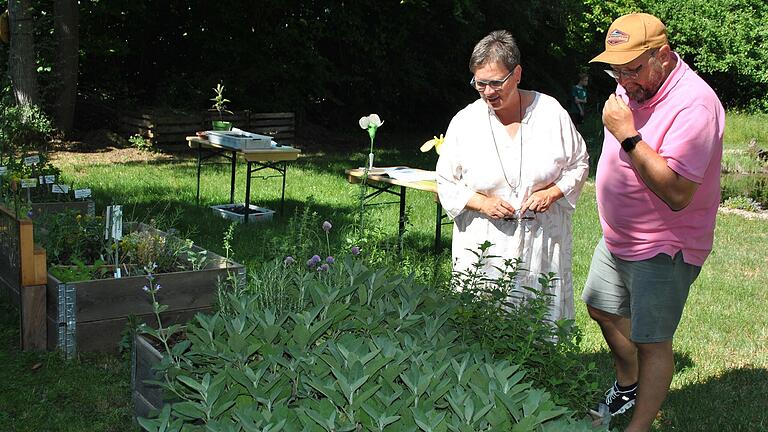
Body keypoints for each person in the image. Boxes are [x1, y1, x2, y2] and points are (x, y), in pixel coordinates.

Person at [582, 13, 724, 431]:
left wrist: (627, 135)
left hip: (666, 243)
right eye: (616, 70)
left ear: (663, 55)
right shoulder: (634, 84)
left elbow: (678, 192)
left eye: (633, 69)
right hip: (619, 237)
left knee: (652, 340)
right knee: (601, 308)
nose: (624, 81)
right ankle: (630, 384)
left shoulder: (695, 104)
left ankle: (638, 426)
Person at [436, 30, 589, 323]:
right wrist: (480, 203)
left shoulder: (551, 113)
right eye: (480, 84)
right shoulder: (466, 121)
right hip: (484, 247)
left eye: (496, 83)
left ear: (517, 74)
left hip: (541, 242)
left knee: (538, 323)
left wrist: (552, 193)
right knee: (481, 323)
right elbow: (445, 180)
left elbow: (579, 163)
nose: (489, 92)